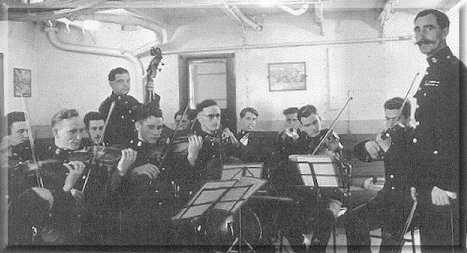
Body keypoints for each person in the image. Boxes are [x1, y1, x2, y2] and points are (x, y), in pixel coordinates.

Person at [409, 9, 466, 252]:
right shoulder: (432, 71)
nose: (421, 35)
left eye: (428, 28)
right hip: (429, 182)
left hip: (443, 185)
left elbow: (459, 132)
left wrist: (445, 183)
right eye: (417, 29)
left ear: (445, 31)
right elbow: (426, 132)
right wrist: (418, 180)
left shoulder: (455, 72)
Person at [272, 104, 347, 253]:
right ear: (301, 126)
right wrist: (291, 157)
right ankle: (300, 247)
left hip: (331, 196)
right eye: (307, 125)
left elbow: (342, 169)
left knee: (326, 216)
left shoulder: (329, 137)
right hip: (308, 195)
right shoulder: (300, 142)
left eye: (315, 122)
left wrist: (333, 157)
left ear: (320, 119)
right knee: (284, 219)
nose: (313, 127)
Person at [345, 97, 415, 253]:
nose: (390, 124)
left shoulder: (415, 138)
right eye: (387, 119)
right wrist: (367, 145)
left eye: (395, 119)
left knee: (390, 233)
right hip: (386, 198)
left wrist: (389, 150)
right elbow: (362, 155)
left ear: (408, 118)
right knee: (352, 219)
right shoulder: (388, 136)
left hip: (407, 203)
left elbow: (409, 172)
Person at [119, 103, 183, 245]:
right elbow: (117, 194)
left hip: (165, 221)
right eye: (151, 127)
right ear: (137, 126)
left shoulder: (165, 149)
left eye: (159, 127)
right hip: (139, 225)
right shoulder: (127, 152)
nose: (156, 133)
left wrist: (191, 158)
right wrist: (132, 172)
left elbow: (179, 178)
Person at [99, 67, 160, 146]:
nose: (126, 84)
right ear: (111, 84)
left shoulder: (132, 101)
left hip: (136, 145)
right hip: (119, 149)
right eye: (121, 81)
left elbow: (149, 114)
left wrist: (151, 94)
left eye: (128, 81)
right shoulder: (107, 106)